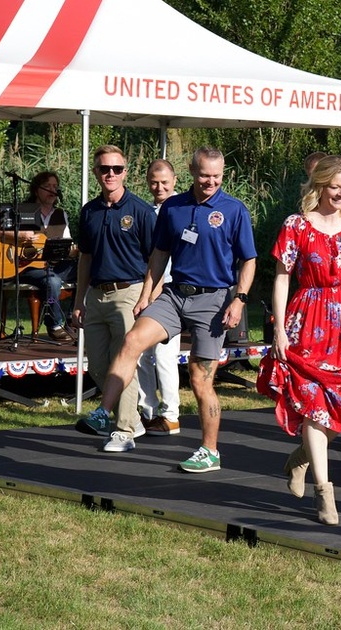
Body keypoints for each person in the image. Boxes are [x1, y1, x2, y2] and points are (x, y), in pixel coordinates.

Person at [76, 146, 257, 471]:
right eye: (204, 176)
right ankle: (104, 413)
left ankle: (210, 451)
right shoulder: (173, 207)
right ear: (191, 172)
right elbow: (159, 254)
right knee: (131, 342)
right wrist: (147, 295)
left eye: (216, 176)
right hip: (174, 296)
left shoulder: (234, 209)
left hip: (213, 300)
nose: (210, 182)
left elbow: (249, 260)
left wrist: (239, 299)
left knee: (201, 381)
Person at [257, 155, 341, 525]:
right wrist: (278, 328)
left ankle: (301, 458)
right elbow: (281, 277)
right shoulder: (296, 226)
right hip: (306, 320)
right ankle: (325, 493)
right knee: (312, 405)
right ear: (319, 186)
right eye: (334, 186)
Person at [71, 146, 156, 448]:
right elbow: (85, 258)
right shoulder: (89, 211)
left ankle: (123, 431)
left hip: (129, 292)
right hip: (96, 294)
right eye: (104, 169)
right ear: (96, 172)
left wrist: (147, 297)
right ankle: (133, 420)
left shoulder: (141, 211)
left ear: (126, 172)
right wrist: (79, 299)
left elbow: (156, 261)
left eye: (117, 169)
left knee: (124, 362)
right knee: (97, 365)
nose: (111, 174)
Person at [0, 170, 77, 342]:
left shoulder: (60, 215)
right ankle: (55, 325)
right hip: (23, 266)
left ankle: (71, 320)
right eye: (47, 186)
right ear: (36, 190)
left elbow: (67, 245)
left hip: (50, 265)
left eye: (55, 186)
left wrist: (75, 251)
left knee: (87, 269)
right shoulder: (21, 210)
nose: (52, 190)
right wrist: (19, 236)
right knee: (52, 281)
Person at [136, 159, 182, 435]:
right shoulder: (145, 211)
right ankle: (147, 409)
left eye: (165, 182)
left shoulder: (182, 208)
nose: (159, 187)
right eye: (154, 182)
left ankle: (171, 413)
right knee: (141, 353)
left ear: (175, 181)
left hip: (173, 291)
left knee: (165, 354)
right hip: (146, 288)